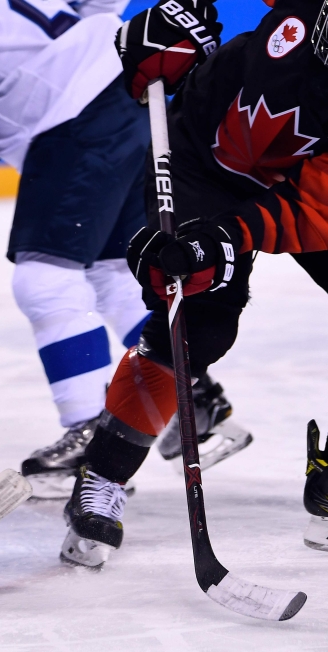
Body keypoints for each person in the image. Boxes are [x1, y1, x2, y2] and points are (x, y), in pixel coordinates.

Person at [0, 0, 242, 498]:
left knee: (44, 279)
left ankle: (90, 433)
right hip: (138, 88)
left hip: (76, 118)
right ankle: (191, 397)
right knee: (116, 273)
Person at [63, 0, 328, 566]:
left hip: (296, 192)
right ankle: (102, 475)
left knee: (203, 282)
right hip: (198, 162)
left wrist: (228, 236)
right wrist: (187, 13)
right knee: (195, 320)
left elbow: (313, 211)